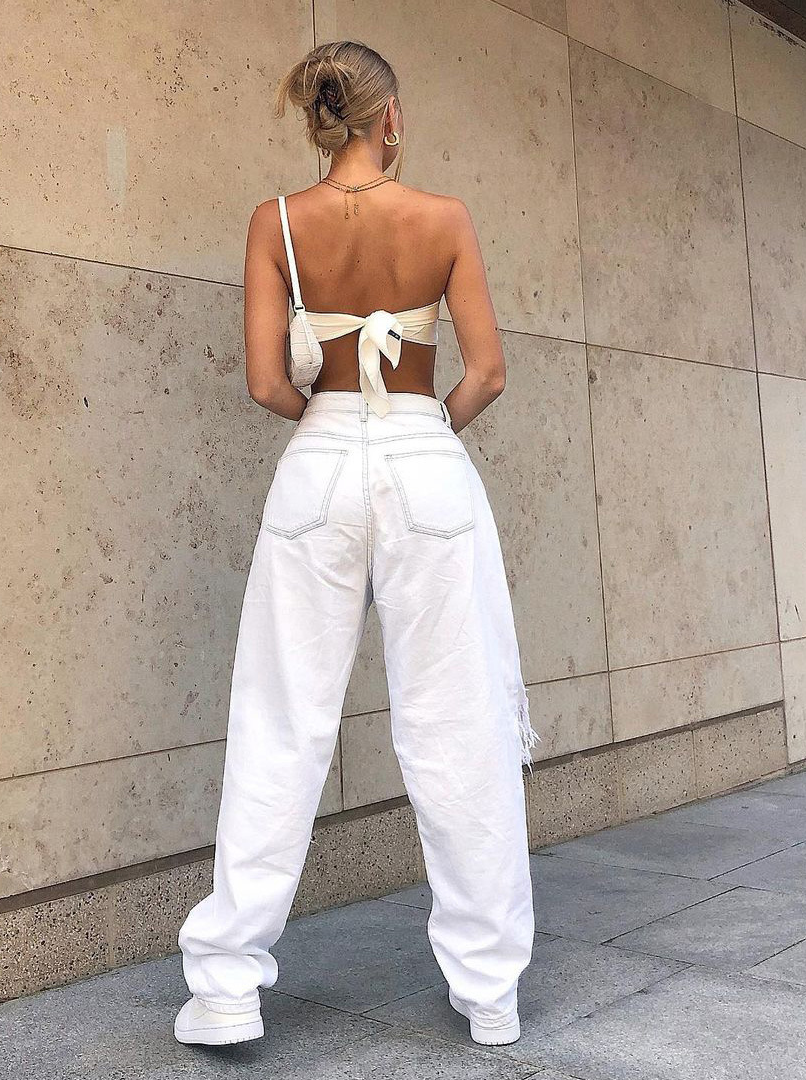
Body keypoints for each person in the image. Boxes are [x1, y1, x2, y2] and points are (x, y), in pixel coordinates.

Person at [174, 39, 540, 1050]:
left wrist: (333, 427)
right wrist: (422, 433)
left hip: (320, 462)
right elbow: (488, 372)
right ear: (392, 118)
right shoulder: (444, 218)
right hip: (426, 460)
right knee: (458, 720)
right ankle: (490, 991)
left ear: (320, 118)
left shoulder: (275, 222)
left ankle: (226, 987)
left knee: (281, 717)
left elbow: (265, 382)